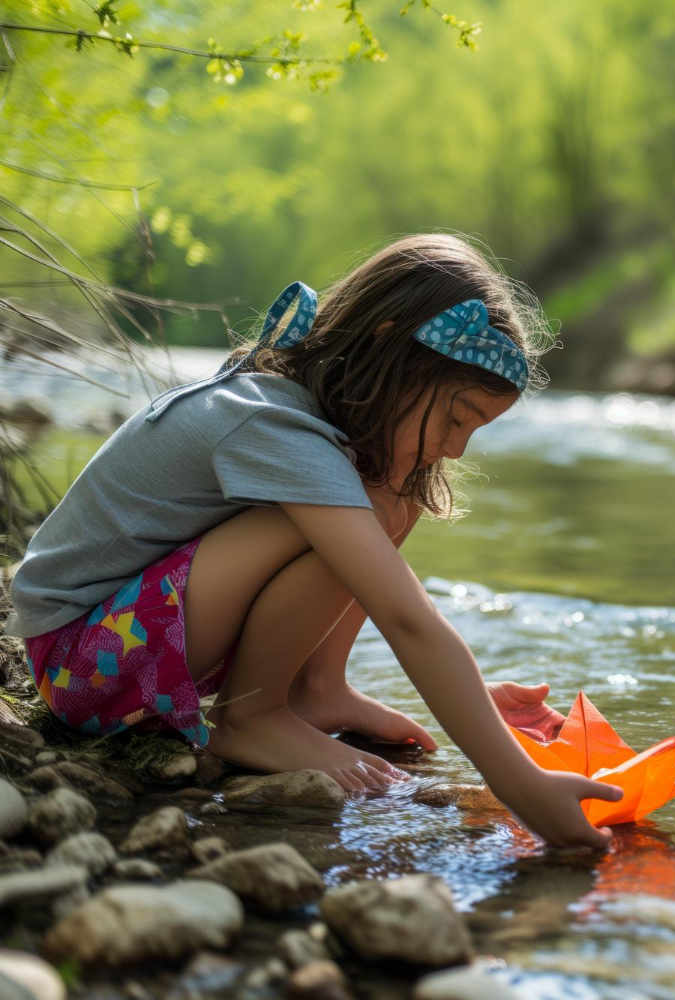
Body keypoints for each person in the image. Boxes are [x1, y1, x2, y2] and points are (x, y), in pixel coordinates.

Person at [6, 233, 621, 848]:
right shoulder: (268, 423)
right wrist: (520, 783)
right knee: (362, 509)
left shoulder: (300, 418)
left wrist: (470, 706)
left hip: (134, 640)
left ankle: (316, 690)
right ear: (387, 345)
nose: (459, 447)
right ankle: (253, 715)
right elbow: (409, 619)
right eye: (459, 417)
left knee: (391, 492)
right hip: (82, 663)